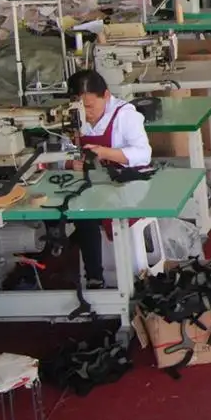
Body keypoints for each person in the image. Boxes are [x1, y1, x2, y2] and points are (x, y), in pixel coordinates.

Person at [65, 69, 152, 289]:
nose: (86, 113)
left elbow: (144, 154)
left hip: (126, 184)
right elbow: (62, 151)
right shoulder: (72, 117)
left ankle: (111, 278)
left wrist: (105, 153)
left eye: (90, 106)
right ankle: (94, 275)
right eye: (80, 107)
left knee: (89, 212)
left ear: (106, 96)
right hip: (91, 184)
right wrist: (70, 163)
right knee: (77, 210)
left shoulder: (125, 115)